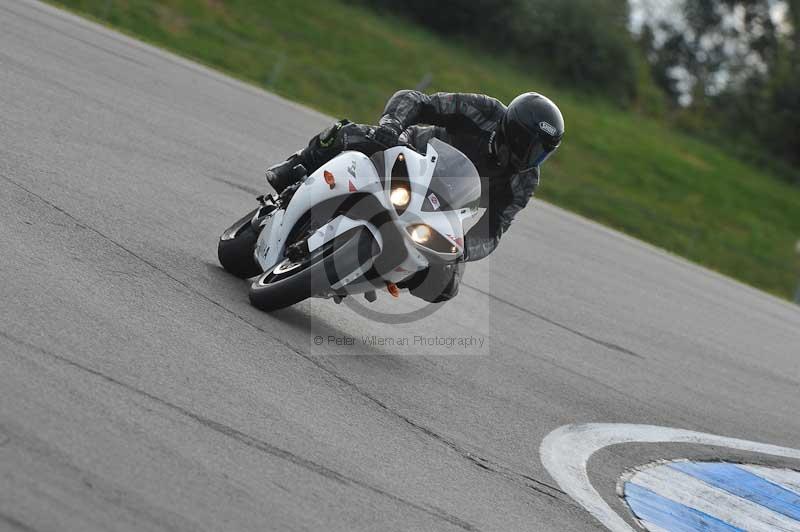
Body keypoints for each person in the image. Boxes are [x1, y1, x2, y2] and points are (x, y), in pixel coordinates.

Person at [265, 90, 564, 303]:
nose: (530, 155)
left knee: (446, 285)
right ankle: (295, 166)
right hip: (410, 158)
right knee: (351, 134)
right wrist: (392, 125)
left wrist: (462, 249)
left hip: (441, 211)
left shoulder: (525, 181)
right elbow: (417, 100)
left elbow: (493, 231)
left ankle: (378, 273)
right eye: (527, 144)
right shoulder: (484, 111)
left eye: (540, 152)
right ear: (510, 128)